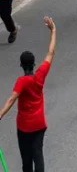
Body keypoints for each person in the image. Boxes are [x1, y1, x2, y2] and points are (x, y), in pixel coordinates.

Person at [0, 16, 56, 172]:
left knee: (26, 159)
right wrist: (53, 31)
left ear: (21, 65)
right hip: (39, 124)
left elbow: (12, 99)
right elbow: (51, 52)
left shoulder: (22, 81)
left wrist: (0, 114)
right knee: (38, 155)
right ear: (34, 64)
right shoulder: (40, 75)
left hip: (25, 127)